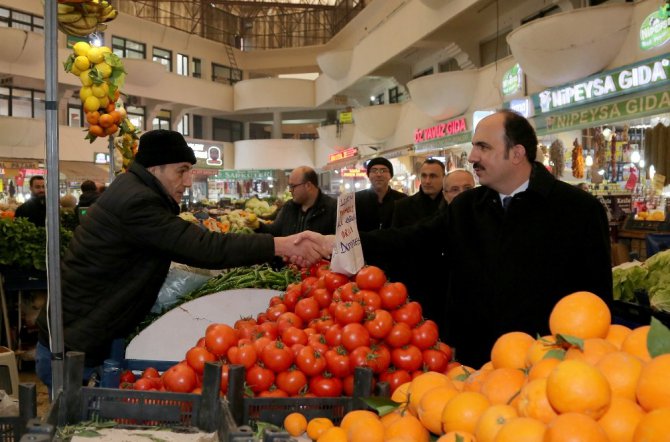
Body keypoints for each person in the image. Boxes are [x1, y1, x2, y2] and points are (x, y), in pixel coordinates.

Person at [306, 110, 613, 368]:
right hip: (474, 363)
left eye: (483, 147)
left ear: (517, 153)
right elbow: (412, 239)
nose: (472, 157)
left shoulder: (578, 210)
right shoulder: (468, 206)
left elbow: (597, 299)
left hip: (549, 363)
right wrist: (343, 243)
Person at [35, 130, 326, 391]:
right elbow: (204, 248)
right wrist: (280, 244)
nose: (188, 181)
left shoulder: (133, 190)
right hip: (74, 345)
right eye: (182, 171)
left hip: (85, 333)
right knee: (73, 426)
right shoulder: (138, 202)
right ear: (155, 168)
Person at [257, 166, 337, 236]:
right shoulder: (289, 207)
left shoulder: (333, 209)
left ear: (308, 186)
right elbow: (275, 231)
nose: (290, 190)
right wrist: (257, 226)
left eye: (293, 186)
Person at [354, 157, 406, 232]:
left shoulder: (402, 199)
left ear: (390, 175)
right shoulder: (356, 200)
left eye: (383, 170)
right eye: (374, 170)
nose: (378, 174)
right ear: (368, 175)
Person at [391, 158, 445, 228]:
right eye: (424, 176)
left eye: (433, 176)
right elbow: (396, 236)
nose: (427, 181)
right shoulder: (403, 206)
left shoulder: (451, 203)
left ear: (444, 177)